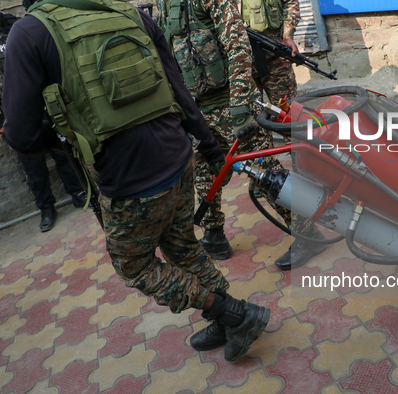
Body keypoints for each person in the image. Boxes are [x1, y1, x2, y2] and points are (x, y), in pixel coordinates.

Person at [3, 0, 269, 362]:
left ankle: (233, 313)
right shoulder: (127, 11)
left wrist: (72, 134)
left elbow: (22, 136)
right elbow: (179, 89)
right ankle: (223, 317)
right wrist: (208, 146)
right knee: (183, 246)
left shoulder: (30, 31)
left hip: (129, 179)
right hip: (178, 155)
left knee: (135, 265)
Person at [158, 0, 326, 270]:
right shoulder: (162, 5)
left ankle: (307, 234)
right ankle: (214, 236)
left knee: (264, 172)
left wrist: (239, 105)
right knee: (203, 171)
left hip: (228, 103)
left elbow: (238, 48)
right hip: (196, 107)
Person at [0, 10, 85, 232]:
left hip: (47, 106)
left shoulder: (16, 27)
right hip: (15, 113)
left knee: (64, 153)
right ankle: (46, 209)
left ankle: (78, 192)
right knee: (33, 168)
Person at [242, 0, 301, 105]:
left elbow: (290, 3)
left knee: (288, 109)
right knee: (251, 113)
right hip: (240, 63)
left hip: (276, 55)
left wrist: (287, 35)